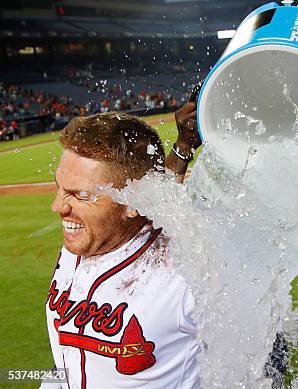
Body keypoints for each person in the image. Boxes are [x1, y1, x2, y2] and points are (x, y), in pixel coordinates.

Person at [44, 109, 201, 388]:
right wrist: (182, 147)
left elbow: (263, 356)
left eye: (81, 194)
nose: (58, 207)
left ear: (133, 201)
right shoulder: (83, 241)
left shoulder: (185, 276)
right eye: (60, 187)